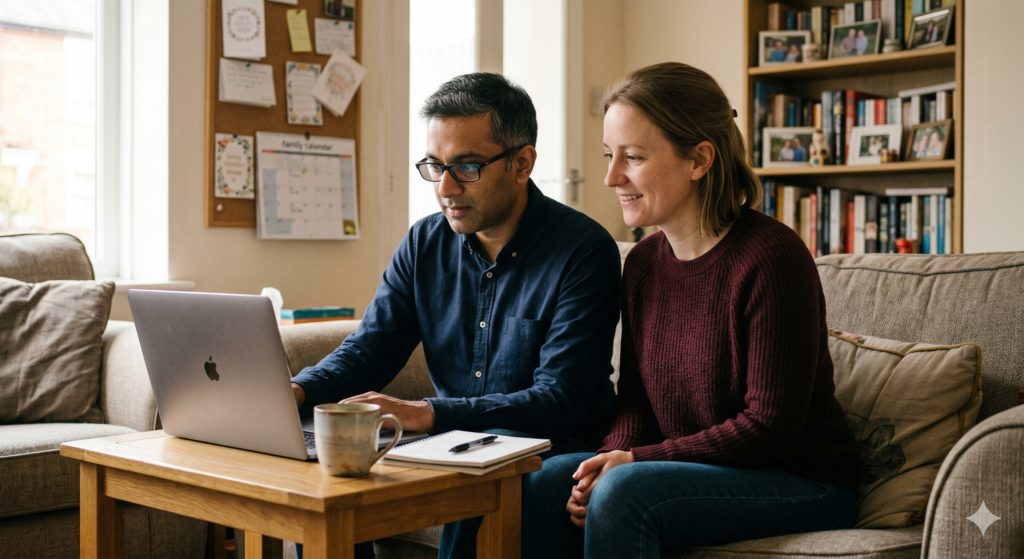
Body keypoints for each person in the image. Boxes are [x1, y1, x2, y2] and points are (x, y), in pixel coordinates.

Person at [521, 62, 861, 559]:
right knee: (542, 479)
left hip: (801, 480)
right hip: (694, 468)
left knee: (623, 492)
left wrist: (635, 461)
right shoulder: (641, 266)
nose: (611, 176)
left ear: (699, 159)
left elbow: (769, 426)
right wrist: (603, 461)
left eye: (633, 157)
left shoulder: (772, 256)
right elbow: (635, 400)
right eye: (609, 155)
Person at [290, 73, 621, 559]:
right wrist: (296, 389)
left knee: (484, 478)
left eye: (466, 166)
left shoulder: (583, 251)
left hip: (552, 444)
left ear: (522, 162)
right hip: (451, 440)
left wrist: (429, 412)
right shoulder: (425, 242)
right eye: (434, 166)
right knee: (320, 475)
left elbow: (559, 399)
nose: (445, 187)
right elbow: (369, 350)